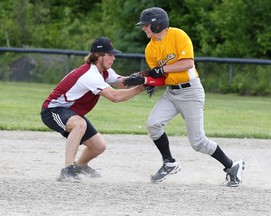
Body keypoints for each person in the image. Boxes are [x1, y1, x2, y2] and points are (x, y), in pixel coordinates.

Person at [123, 7, 245, 187]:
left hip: (191, 92)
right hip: (172, 93)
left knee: (198, 142)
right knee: (153, 124)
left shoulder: (178, 35)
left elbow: (188, 63)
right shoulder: (150, 49)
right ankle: (169, 162)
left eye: (147, 25)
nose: (144, 28)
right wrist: (145, 79)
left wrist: (161, 69)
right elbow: (161, 78)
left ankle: (231, 166)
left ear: (158, 24)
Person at [40, 37, 144, 182]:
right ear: (98, 56)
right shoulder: (89, 74)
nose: (113, 58)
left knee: (98, 146)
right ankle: (67, 170)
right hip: (53, 111)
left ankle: (80, 166)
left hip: (70, 112)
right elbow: (114, 96)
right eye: (110, 54)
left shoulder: (104, 72)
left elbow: (121, 82)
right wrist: (141, 88)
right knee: (79, 124)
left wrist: (144, 77)